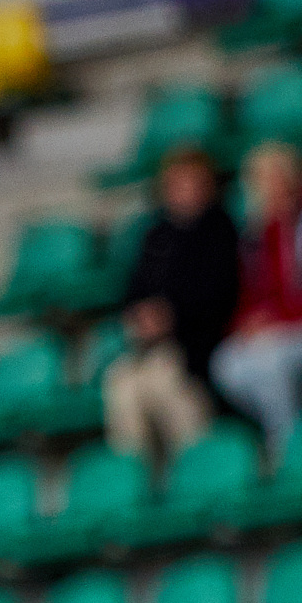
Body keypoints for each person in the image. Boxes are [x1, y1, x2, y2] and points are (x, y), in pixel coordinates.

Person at [210, 142, 302, 460]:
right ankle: (298, 435)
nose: (271, 192)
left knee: (272, 362)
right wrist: (247, 324)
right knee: (226, 364)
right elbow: (253, 297)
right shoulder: (259, 238)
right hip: (279, 332)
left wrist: (276, 321)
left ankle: (287, 450)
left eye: (278, 182)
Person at [99, 146, 238, 463]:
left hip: (198, 343)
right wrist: (141, 315)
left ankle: (198, 467)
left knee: (165, 381)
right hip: (151, 346)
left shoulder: (220, 230)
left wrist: (173, 316)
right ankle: (139, 479)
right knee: (121, 385)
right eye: (177, 183)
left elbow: (221, 294)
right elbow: (133, 289)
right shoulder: (156, 233)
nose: (184, 191)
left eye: (192, 182)